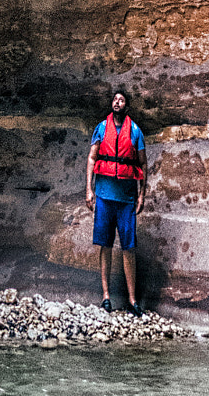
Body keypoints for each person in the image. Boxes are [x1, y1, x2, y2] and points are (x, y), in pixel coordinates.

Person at [85, 88, 146, 315]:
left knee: (128, 247)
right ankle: (106, 296)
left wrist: (142, 195)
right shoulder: (101, 128)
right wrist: (89, 190)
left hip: (126, 200)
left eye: (121, 100)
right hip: (104, 197)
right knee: (106, 245)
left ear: (126, 106)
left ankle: (132, 300)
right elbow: (92, 158)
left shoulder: (136, 131)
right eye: (114, 99)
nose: (117, 102)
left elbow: (143, 164)